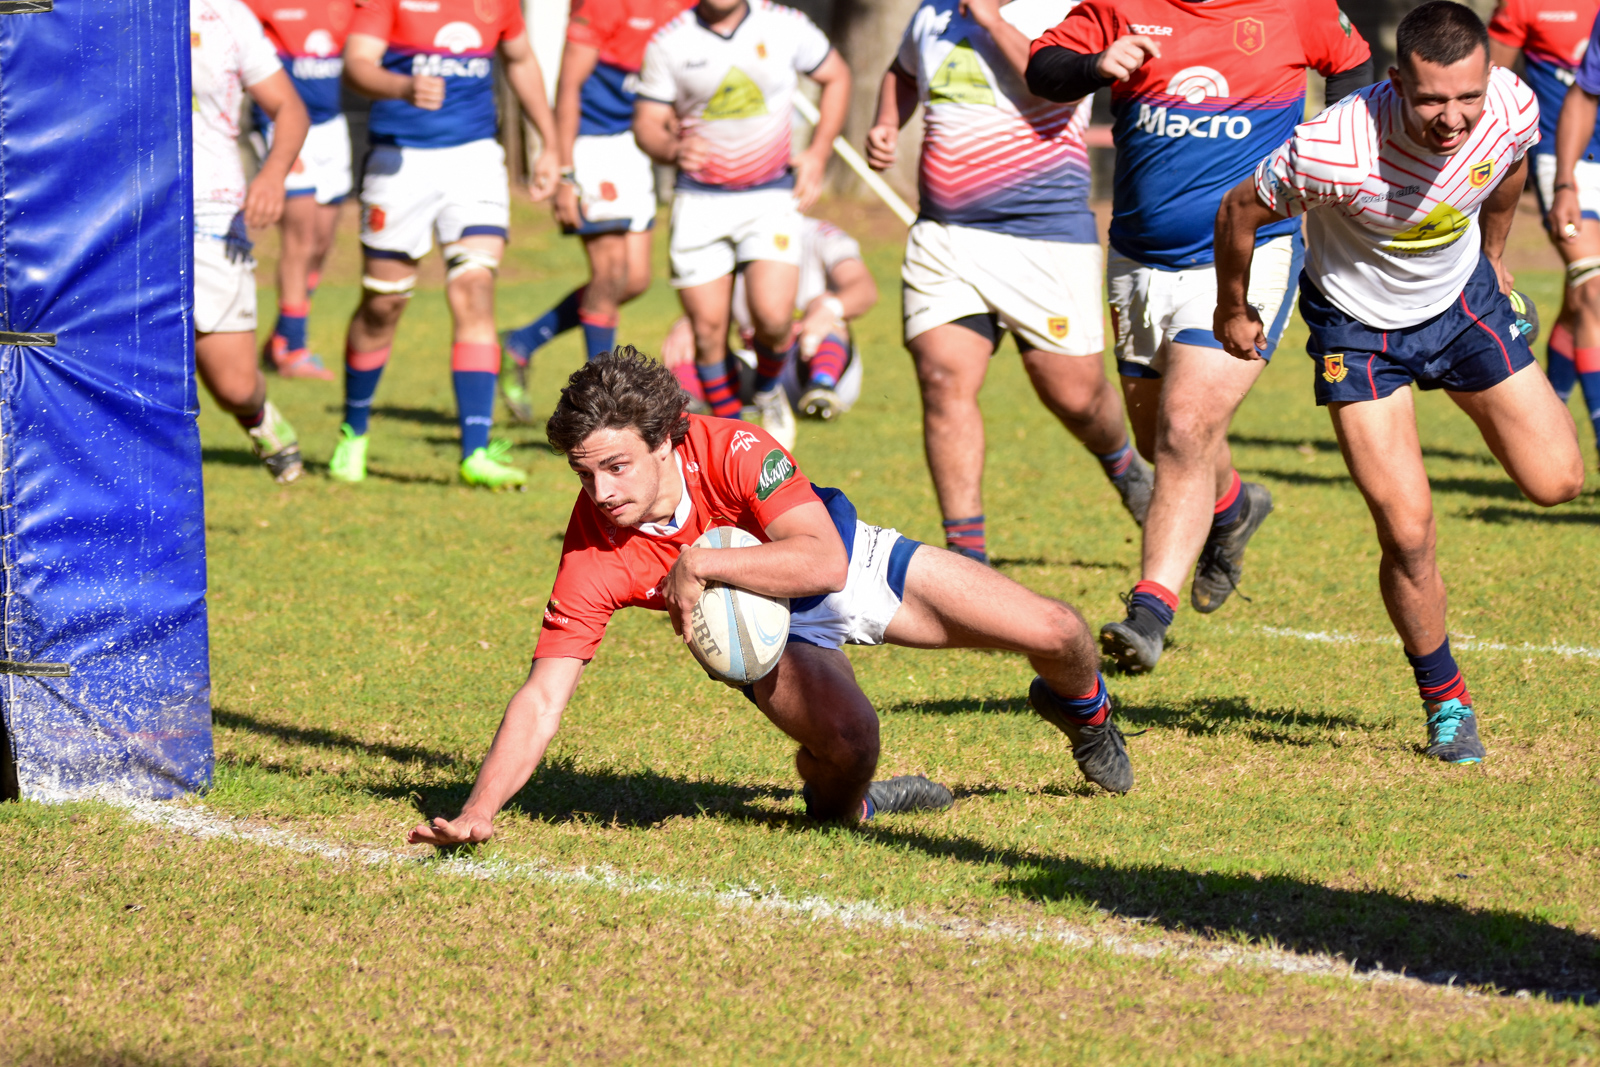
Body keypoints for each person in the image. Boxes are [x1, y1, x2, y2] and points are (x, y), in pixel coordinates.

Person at [408, 348, 1134, 846]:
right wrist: (478, 810)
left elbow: (823, 561)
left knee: (1059, 630)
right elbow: (543, 696)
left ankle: (1087, 714)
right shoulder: (592, 548)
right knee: (852, 746)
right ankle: (855, 802)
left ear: (665, 440)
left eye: (616, 467)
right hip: (762, 631)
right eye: (583, 473)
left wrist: (701, 563)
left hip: (844, 563)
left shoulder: (733, 447)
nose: (600, 493)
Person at [1216, 1, 1583, 763]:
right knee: (1408, 529)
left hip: (1461, 304)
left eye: (1467, 96)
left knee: (1559, 482)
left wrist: (1495, 255)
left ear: (1489, 78)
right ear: (1394, 82)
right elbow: (1239, 209)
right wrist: (1232, 307)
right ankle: (1446, 702)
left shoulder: (1510, 105)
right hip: (1358, 330)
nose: (1453, 119)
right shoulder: (1333, 148)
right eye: (1430, 101)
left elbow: (1511, 165)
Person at [1027, 0, 1372, 672]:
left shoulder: (1295, 7)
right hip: (1137, 257)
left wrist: (1332, 157)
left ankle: (1149, 612)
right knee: (1162, 433)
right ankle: (1234, 507)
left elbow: (1354, 66)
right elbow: (1044, 68)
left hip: (1251, 252)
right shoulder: (1122, 5)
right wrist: (1096, 65)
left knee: (1185, 428)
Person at [866, 0, 1150, 566]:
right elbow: (903, 71)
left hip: (1044, 237)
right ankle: (967, 561)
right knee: (942, 378)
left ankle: (1126, 468)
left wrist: (992, 20)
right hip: (944, 233)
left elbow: (1056, 89)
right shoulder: (932, 14)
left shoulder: (1066, 10)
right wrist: (887, 122)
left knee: (1075, 397)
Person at [331, 0, 560, 489]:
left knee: (474, 289)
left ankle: (475, 452)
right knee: (383, 305)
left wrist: (551, 142)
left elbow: (521, 60)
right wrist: (402, 87)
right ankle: (354, 430)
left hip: (474, 159)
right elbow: (356, 65)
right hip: (399, 161)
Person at [631, 0, 852, 452]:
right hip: (699, 202)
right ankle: (735, 433)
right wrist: (672, 149)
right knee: (708, 330)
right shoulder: (670, 41)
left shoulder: (785, 24)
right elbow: (647, 124)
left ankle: (768, 392)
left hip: (769, 197)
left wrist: (818, 153)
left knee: (773, 317)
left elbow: (837, 76)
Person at [497, 0, 693, 424]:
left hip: (637, 146)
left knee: (635, 279)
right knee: (611, 273)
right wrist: (566, 170)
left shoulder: (686, 7)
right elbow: (569, 86)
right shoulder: (603, 6)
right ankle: (602, 399)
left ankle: (521, 343)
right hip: (593, 144)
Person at [192, 0, 311, 483]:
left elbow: (289, 107)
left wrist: (273, 175)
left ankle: (260, 417)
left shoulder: (224, 14)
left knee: (234, 386)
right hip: (122, 212)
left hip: (210, 212)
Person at [662, 214, 878, 419]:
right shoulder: (731, 240)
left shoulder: (819, 235)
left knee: (826, 308)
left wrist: (828, 309)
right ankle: (684, 403)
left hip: (809, 356)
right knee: (695, 332)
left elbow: (864, 288)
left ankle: (822, 387)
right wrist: (689, 323)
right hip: (757, 361)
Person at [247, 0, 355, 381]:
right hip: (285, 125)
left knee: (322, 242)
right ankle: (293, 349)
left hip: (332, 128)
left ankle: (281, 335)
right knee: (301, 238)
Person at [1538, 0, 1600, 464]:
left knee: (1578, 302)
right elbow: (1584, 93)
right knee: (1594, 290)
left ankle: (1546, 418)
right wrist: (1564, 183)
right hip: (1573, 164)